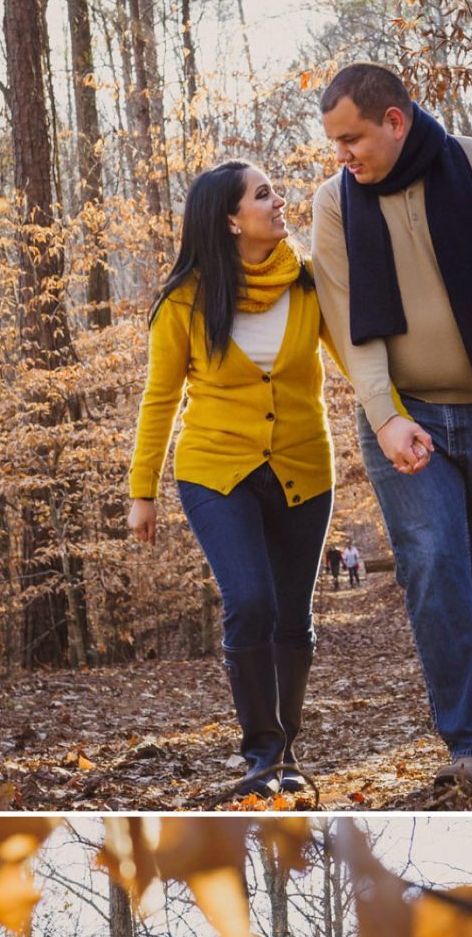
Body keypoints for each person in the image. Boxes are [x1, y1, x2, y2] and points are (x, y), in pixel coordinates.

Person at [311, 63, 472, 792]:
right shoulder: (334, 204)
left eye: (352, 138)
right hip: (407, 417)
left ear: (395, 120)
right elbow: (348, 326)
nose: (342, 155)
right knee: (432, 566)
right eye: (334, 142)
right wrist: (386, 417)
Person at [128, 160, 334, 797]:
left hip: (304, 465)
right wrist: (143, 493)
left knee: (293, 616)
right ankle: (262, 755)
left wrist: (398, 420)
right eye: (264, 194)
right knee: (252, 602)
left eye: (274, 191)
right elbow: (160, 399)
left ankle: (287, 754)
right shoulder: (185, 301)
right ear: (230, 218)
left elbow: (358, 359)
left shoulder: (308, 284)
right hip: (215, 469)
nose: (279, 202)